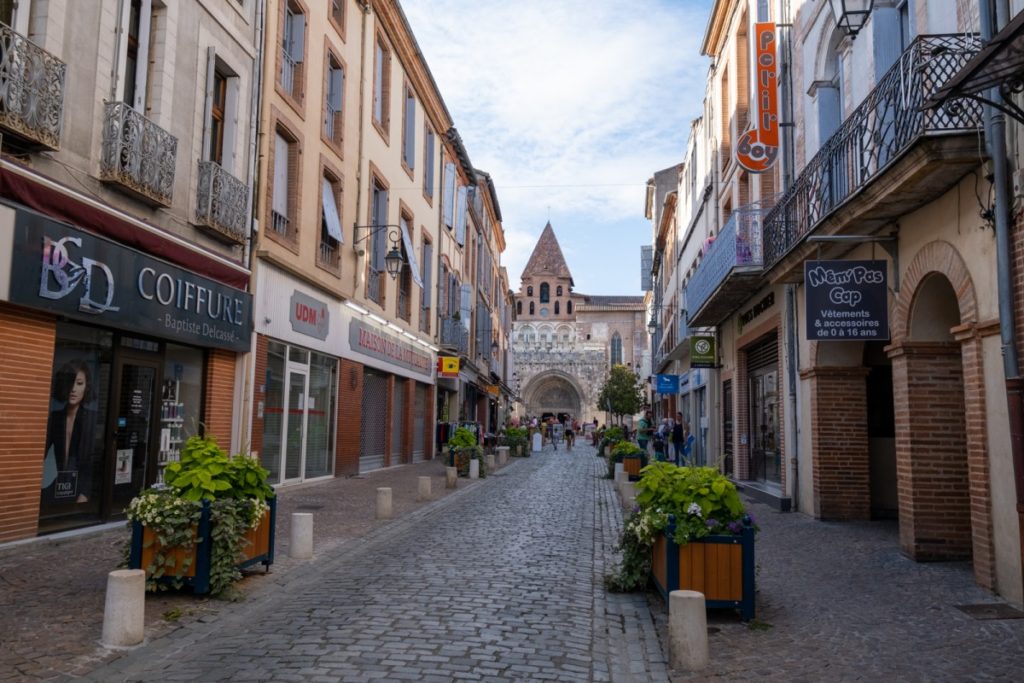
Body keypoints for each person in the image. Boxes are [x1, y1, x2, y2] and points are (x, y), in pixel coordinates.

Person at [43, 360, 97, 504]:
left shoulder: (91, 418)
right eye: (70, 383)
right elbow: (40, 454)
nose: (73, 389)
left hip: (83, 487)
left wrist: (85, 492)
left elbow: (94, 459)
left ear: (86, 387)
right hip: (61, 484)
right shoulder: (55, 418)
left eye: (79, 383)